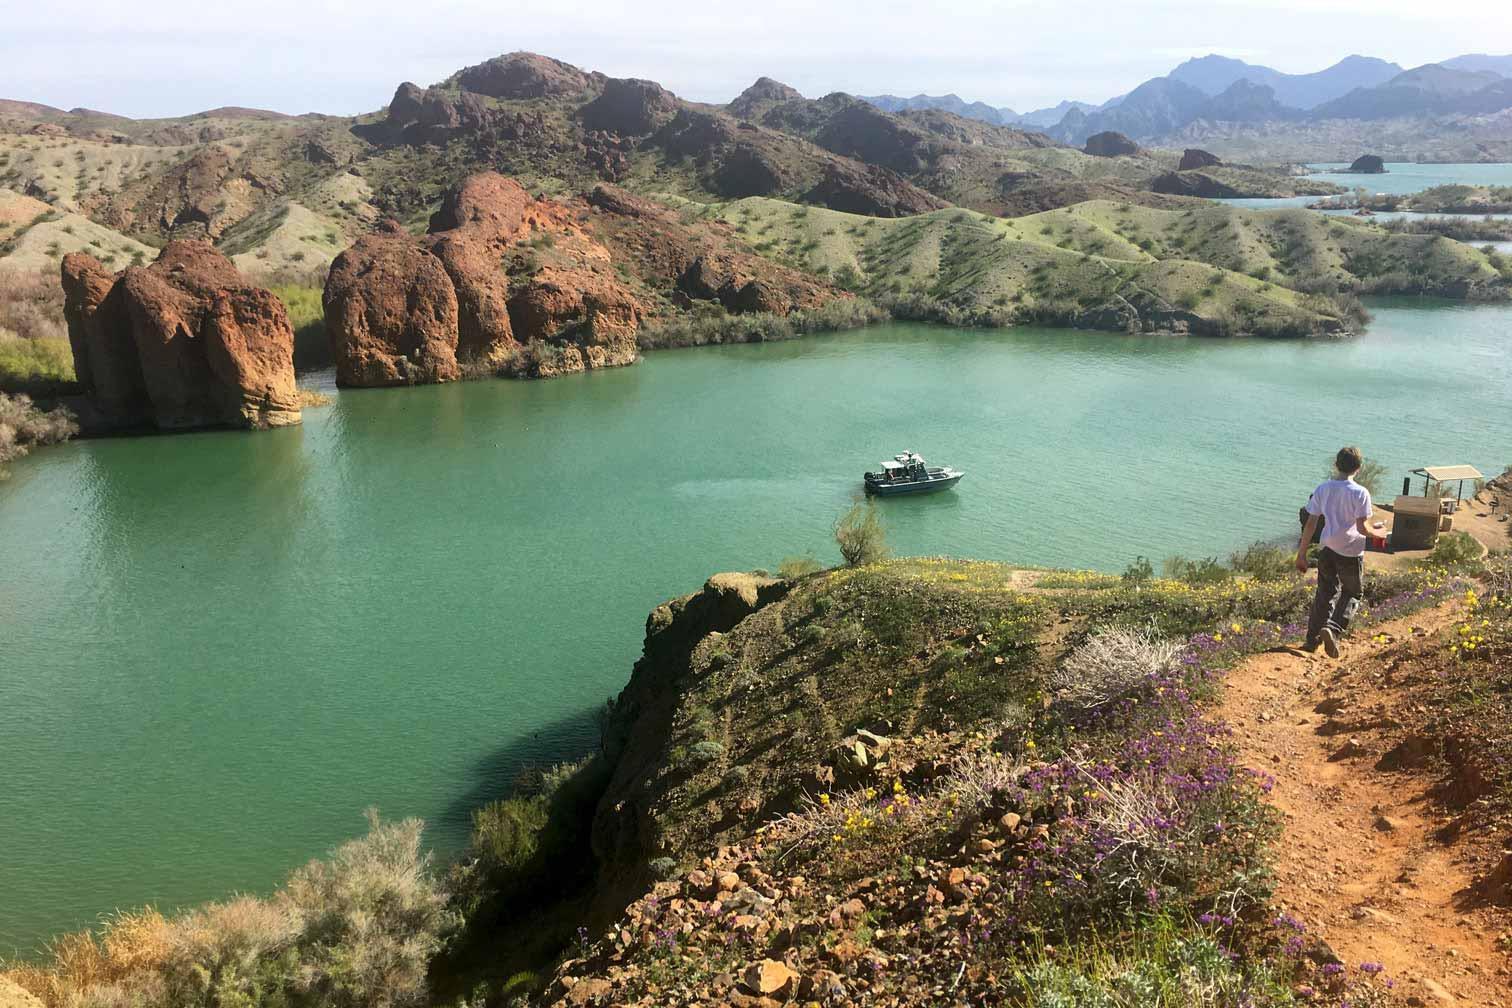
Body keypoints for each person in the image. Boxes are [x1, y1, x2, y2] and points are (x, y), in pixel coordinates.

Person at [1296, 446, 1377, 657]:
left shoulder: (1323, 489)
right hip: (1350, 551)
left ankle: (1310, 641)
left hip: (1327, 548)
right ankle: (1333, 629)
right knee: (1353, 593)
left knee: (1325, 592)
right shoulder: (1361, 493)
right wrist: (1380, 533)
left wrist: (1301, 553)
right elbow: (1362, 528)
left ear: (1336, 465)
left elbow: (1311, 523)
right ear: (1359, 468)